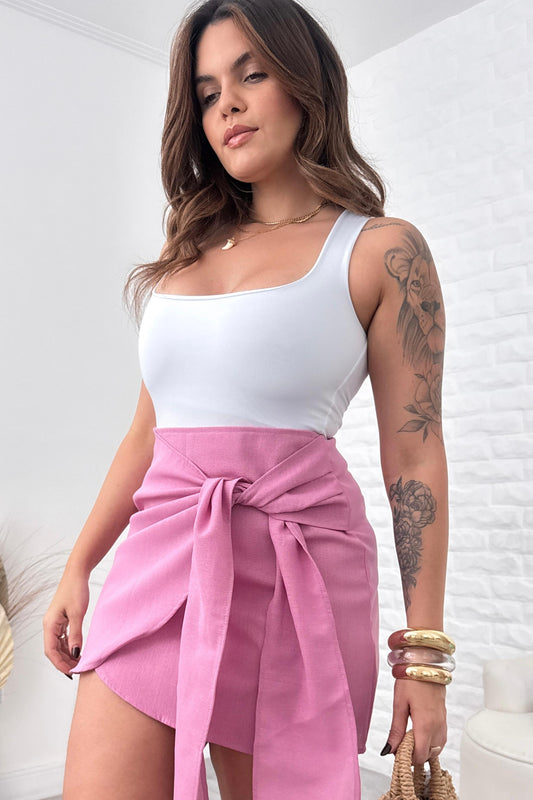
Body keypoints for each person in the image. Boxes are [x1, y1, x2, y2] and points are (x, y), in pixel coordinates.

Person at [43, 1, 452, 798]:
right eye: (205, 94)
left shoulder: (379, 249)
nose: (226, 104)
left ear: (306, 82)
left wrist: (424, 655)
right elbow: (147, 434)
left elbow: (414, 452)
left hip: (299, 575)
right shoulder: (183, 256)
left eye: (251, 75)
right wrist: (80, 565)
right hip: (162, 557)